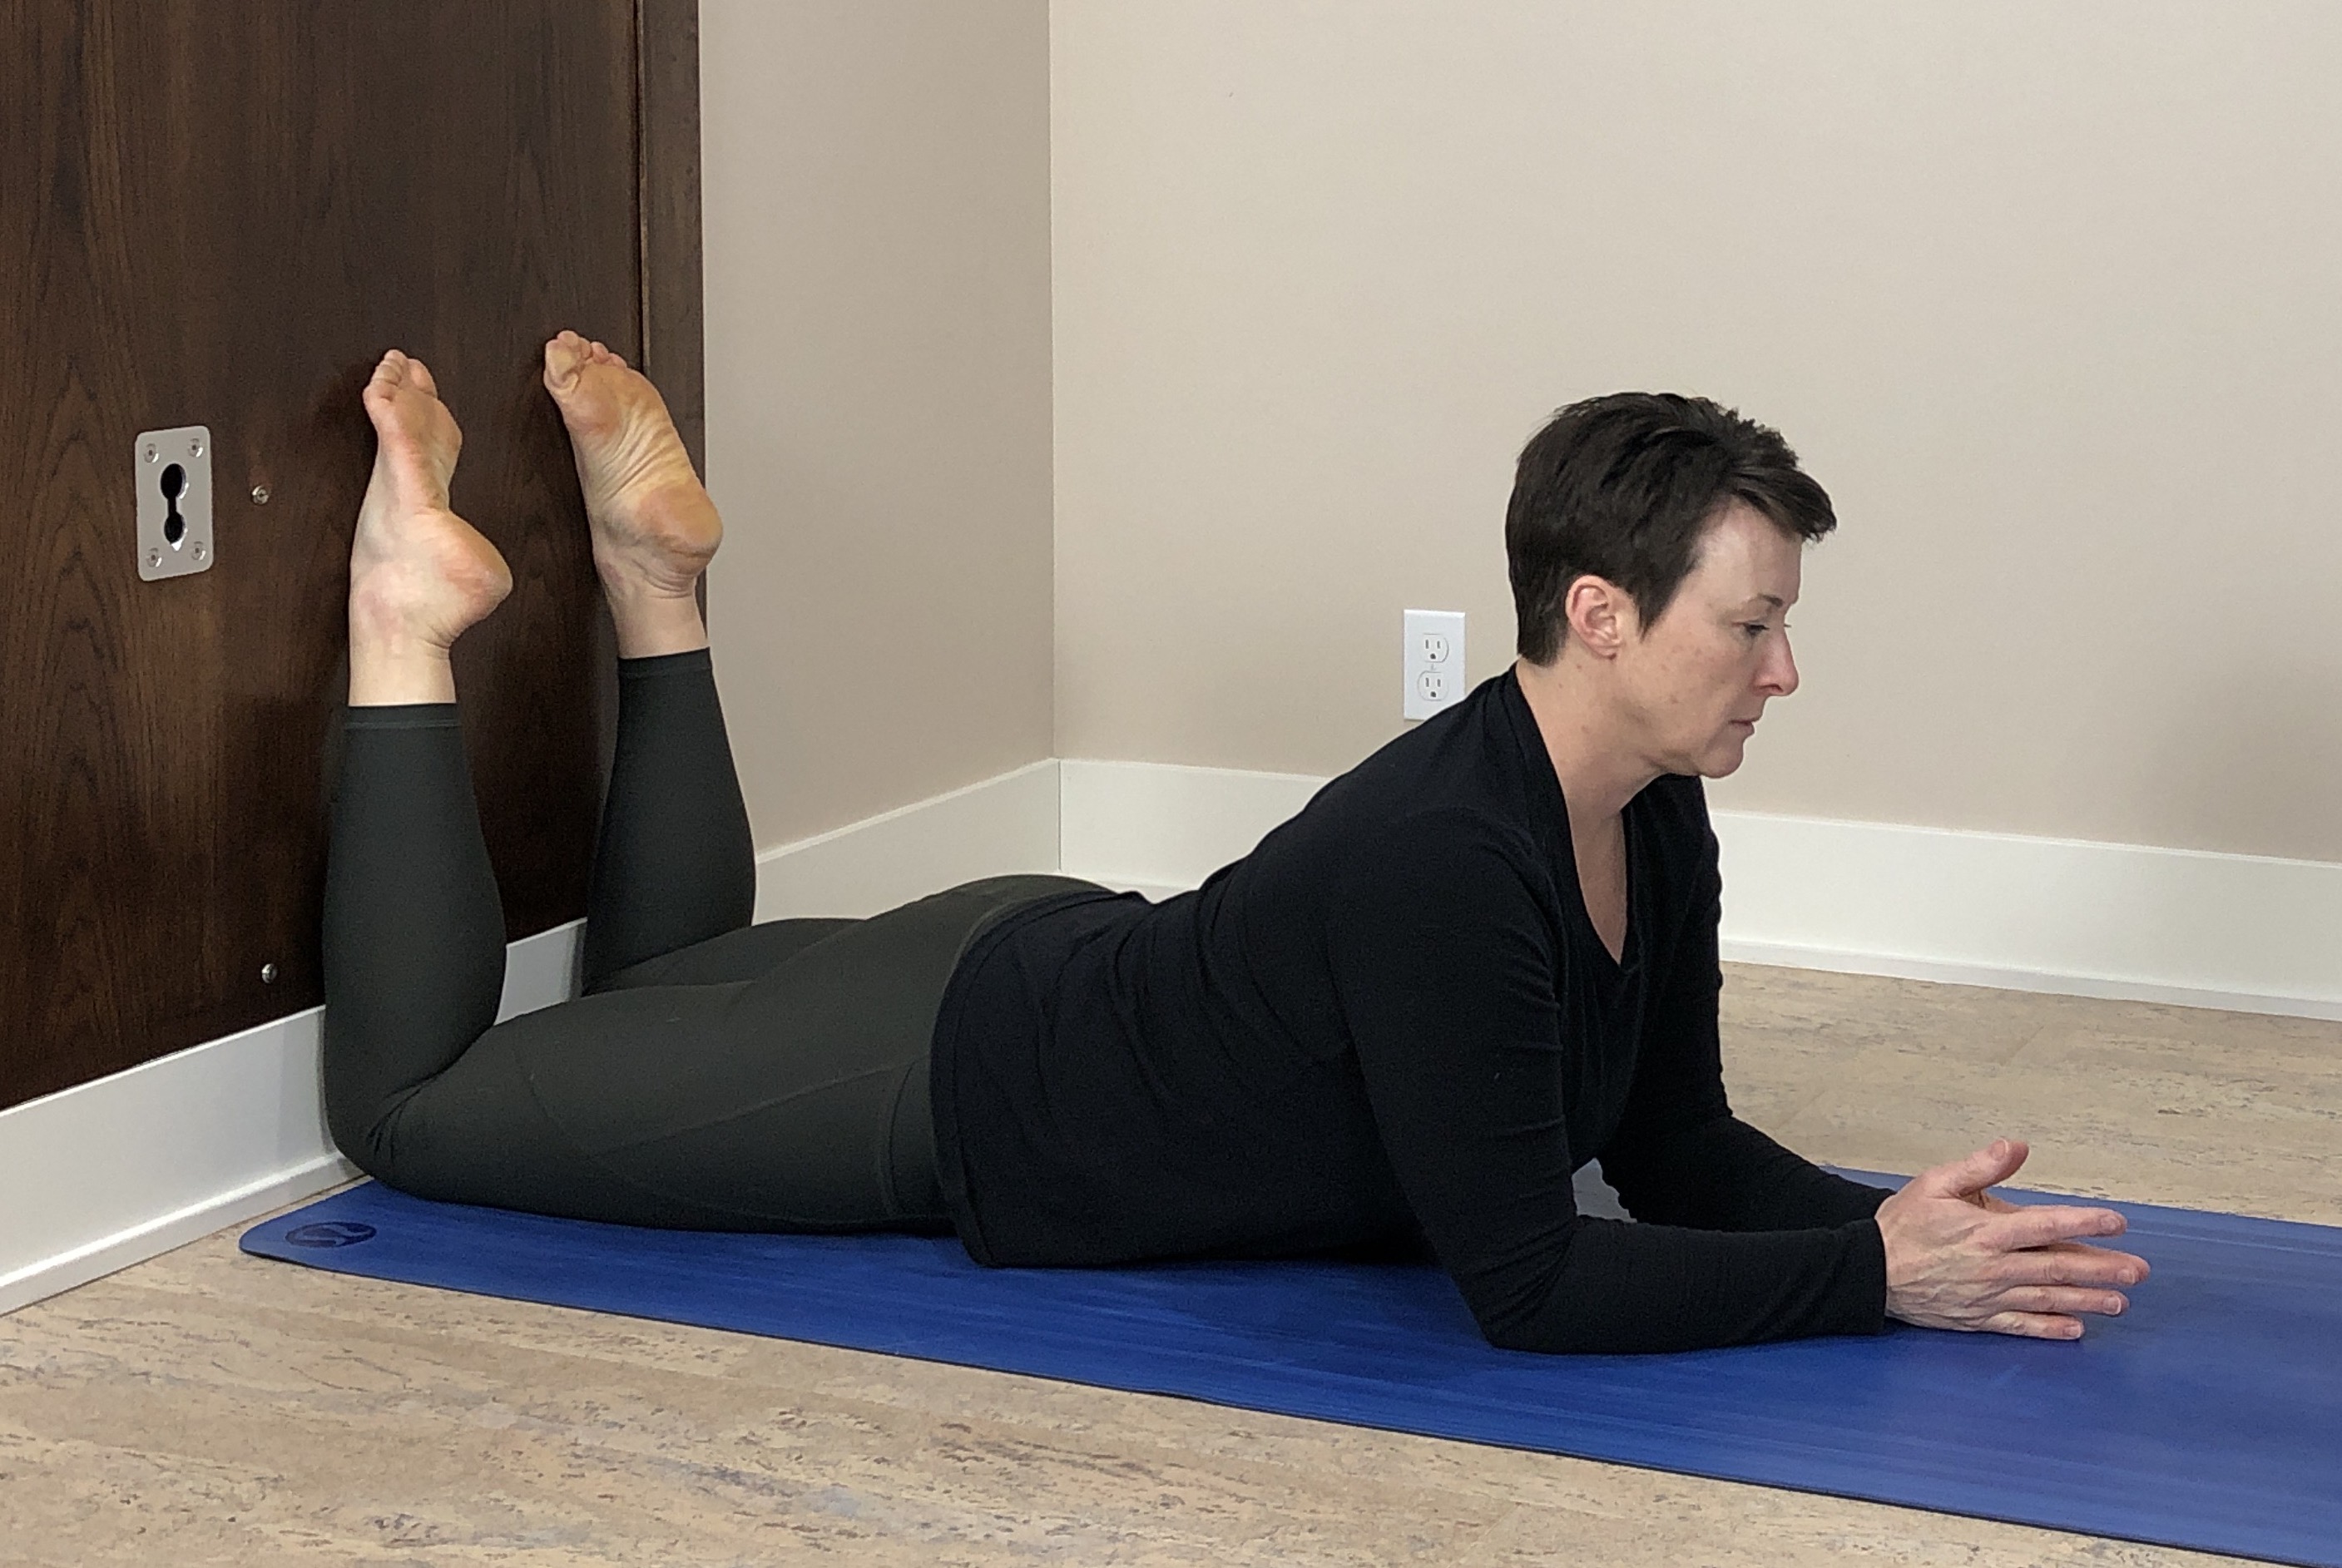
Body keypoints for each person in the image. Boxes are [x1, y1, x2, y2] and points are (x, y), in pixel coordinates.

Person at [323, 342, 2149, 1355]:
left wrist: (1897, 1227)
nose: (1782, 669)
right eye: (1750, 625)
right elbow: (1531, 1283)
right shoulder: (1451, 856)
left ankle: (652, 580)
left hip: (1036, 963)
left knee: (651, 996)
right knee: (411, 1111)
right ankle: (406, 612)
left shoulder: (1649, 805)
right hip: (951, 1080)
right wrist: (1873, 1277)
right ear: (1598, 613)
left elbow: (1667, 1145)